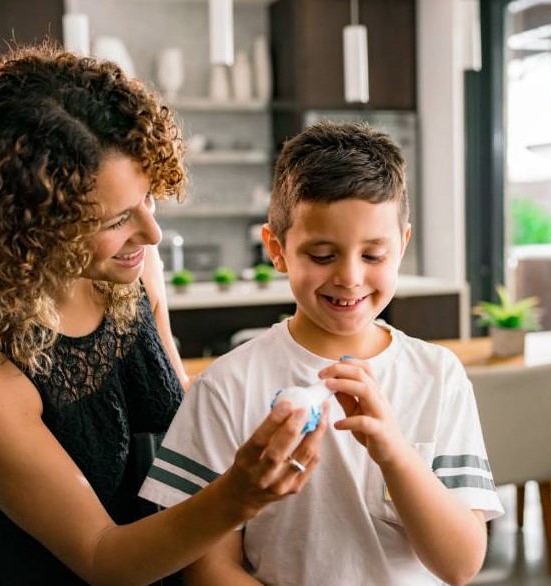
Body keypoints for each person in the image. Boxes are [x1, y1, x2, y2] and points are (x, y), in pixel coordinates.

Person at [0, 43, 327, 585]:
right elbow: (102, 557)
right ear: (27, 227)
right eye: (118, 217)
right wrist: (238, 495)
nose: (151, 232)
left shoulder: (129, 268)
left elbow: (178, 417)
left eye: (150, 200)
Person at [140, 121, 505, 585]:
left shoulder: (438, 375)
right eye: (322, 254)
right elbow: (209, 569)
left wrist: (394, 452)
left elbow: (460, 564)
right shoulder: (227, 386)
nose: (350, 278)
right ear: (277, 249)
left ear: (402, 246)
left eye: (373, 255)